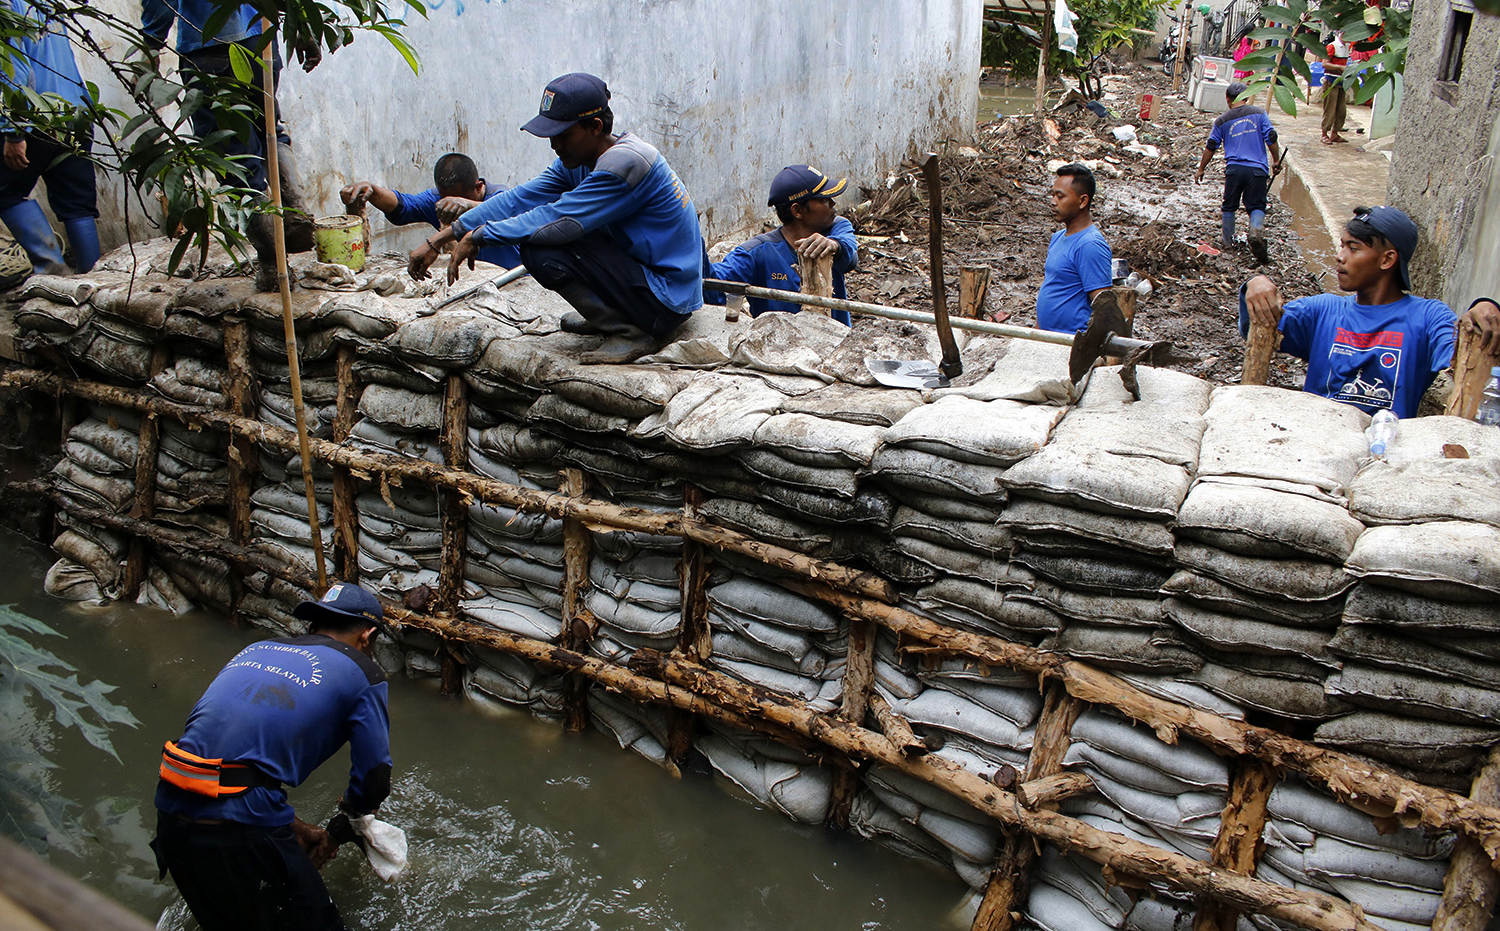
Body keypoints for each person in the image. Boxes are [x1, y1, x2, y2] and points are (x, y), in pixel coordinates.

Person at [409, 72, 705, 364]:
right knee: (554, 232)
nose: (555, 145)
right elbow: (518, 199)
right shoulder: (577, 163)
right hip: (645, 275)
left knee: (539, 247)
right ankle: (612, 313)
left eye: (564, 135)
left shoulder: (625, 163)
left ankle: (629, 331)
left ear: (595, 127)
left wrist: (480, 235)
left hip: (665, 299)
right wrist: (443, 237)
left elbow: (558, 221)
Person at [152, 582, 393, 931]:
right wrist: (341, 831)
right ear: (368, 637)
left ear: (313, 624)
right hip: (238, 823)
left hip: (171, 808)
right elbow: (374, 779)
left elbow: (223, 760)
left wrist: (290, 826)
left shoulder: (258, 648)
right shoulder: (364, 672)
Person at [1239, 205, 1500, 418]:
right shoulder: (1321, 311)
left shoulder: (1428, 317)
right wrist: (1255, 284)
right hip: (1316, 442)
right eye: (1342, 246)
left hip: (1383, 450)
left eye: (1353, 248)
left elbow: (1458, 353)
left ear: (1387, 259)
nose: (1340, 257)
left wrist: (1486, 307)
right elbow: (1257, 326)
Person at [142, 0, 321, 288]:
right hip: (259, 38)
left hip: (208, 46)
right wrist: (302, 28)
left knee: (235, 159)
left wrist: (150, 45)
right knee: (269, 129)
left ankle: (272, 265)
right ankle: (295, 210)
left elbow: (160, 4)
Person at [0, 0, 100, 276]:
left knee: (5, 192)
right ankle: (94, 279)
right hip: (74, 113)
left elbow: (14, 71)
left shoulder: (7, 6)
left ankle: (53, 271)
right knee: (77, 204)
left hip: (37, 117)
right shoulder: (47, 4)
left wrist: (14, 130)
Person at [705, 164, 858, 325]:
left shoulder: (836, 227)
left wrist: (835, 247)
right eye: (824, 200)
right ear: (797, 210)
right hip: (780, 348)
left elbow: (850, 257)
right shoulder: (758, 252)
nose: (833, 204)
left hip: (837, 345)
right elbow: (713, 286)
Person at [340, 153, 521, 269]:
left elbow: (505, 211)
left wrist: (467, 206)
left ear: (479, 186)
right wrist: (372, 190)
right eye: (446, 199)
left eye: (457, 201)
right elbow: (404, 207)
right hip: (471, 285)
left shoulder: (502, 196)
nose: (452, 209)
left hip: (513, 279)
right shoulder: (437, 200)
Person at [1194, 81, 1280, 264]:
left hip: (1234, 170)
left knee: (1229, 205)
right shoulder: (1259, 113)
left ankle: (1227, 244)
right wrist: (1276, 160)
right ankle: (1255, 230)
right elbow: (1271, 137)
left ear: (1228, 99)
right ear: (1246, 97)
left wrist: (1201, 168)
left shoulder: (1222, 120)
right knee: (1256, 205)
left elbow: (1211, 146)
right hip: (1257, 170)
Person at [1035, 162, 1113, 334]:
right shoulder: (1057, 238)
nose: (1053, 202)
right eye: (1053, 195)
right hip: (1048, 339)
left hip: (1072, 343)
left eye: (1060, 196)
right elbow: (1053, 287)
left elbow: (1104, 307)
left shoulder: (1090, 245)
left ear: (1082, 201)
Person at [1320, 34, 1349, 144]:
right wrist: (1339, 67)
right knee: (1330, 109)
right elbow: (1325, 64)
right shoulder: (1333, 46)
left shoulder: (1347, 47)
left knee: (1341, 109)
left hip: (1341, 81)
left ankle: (1335, 132)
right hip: (1331, 81)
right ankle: (1324, 133)